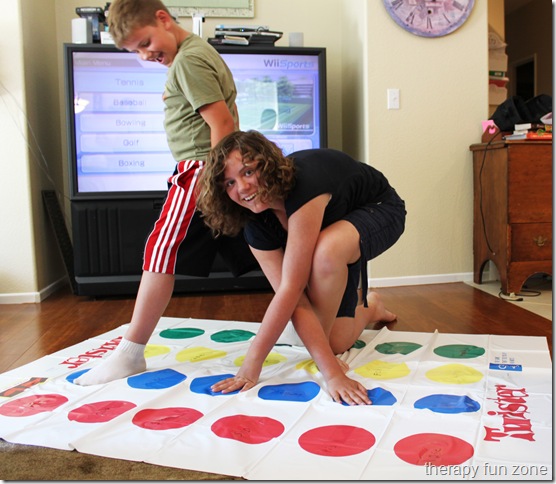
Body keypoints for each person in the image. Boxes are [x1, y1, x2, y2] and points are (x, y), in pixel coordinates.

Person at [75, 0, 258, 386]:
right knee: (265, 247)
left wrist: (213, 180)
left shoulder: (189, 60)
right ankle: (320, 317)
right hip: (208, 166)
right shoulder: (190, 57)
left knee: (160, 251)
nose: (145, 54)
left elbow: (220, 122)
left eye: (145, 42)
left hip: (200, 168)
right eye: (136, 51)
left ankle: (130, 353)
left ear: (163, 18)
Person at [196, 130, 406, 405]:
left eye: (248, 172)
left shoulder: (305, 186)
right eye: (230, 183)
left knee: (325, 253)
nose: (242, 188)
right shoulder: (256, 227)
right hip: (335, 232)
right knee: (334, 344)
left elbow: (292, 287)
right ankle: (370, 307)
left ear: (267, 164)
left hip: (379, 208)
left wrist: (331, 373)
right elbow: (291, 296)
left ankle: (359, 301)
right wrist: (249, 371)